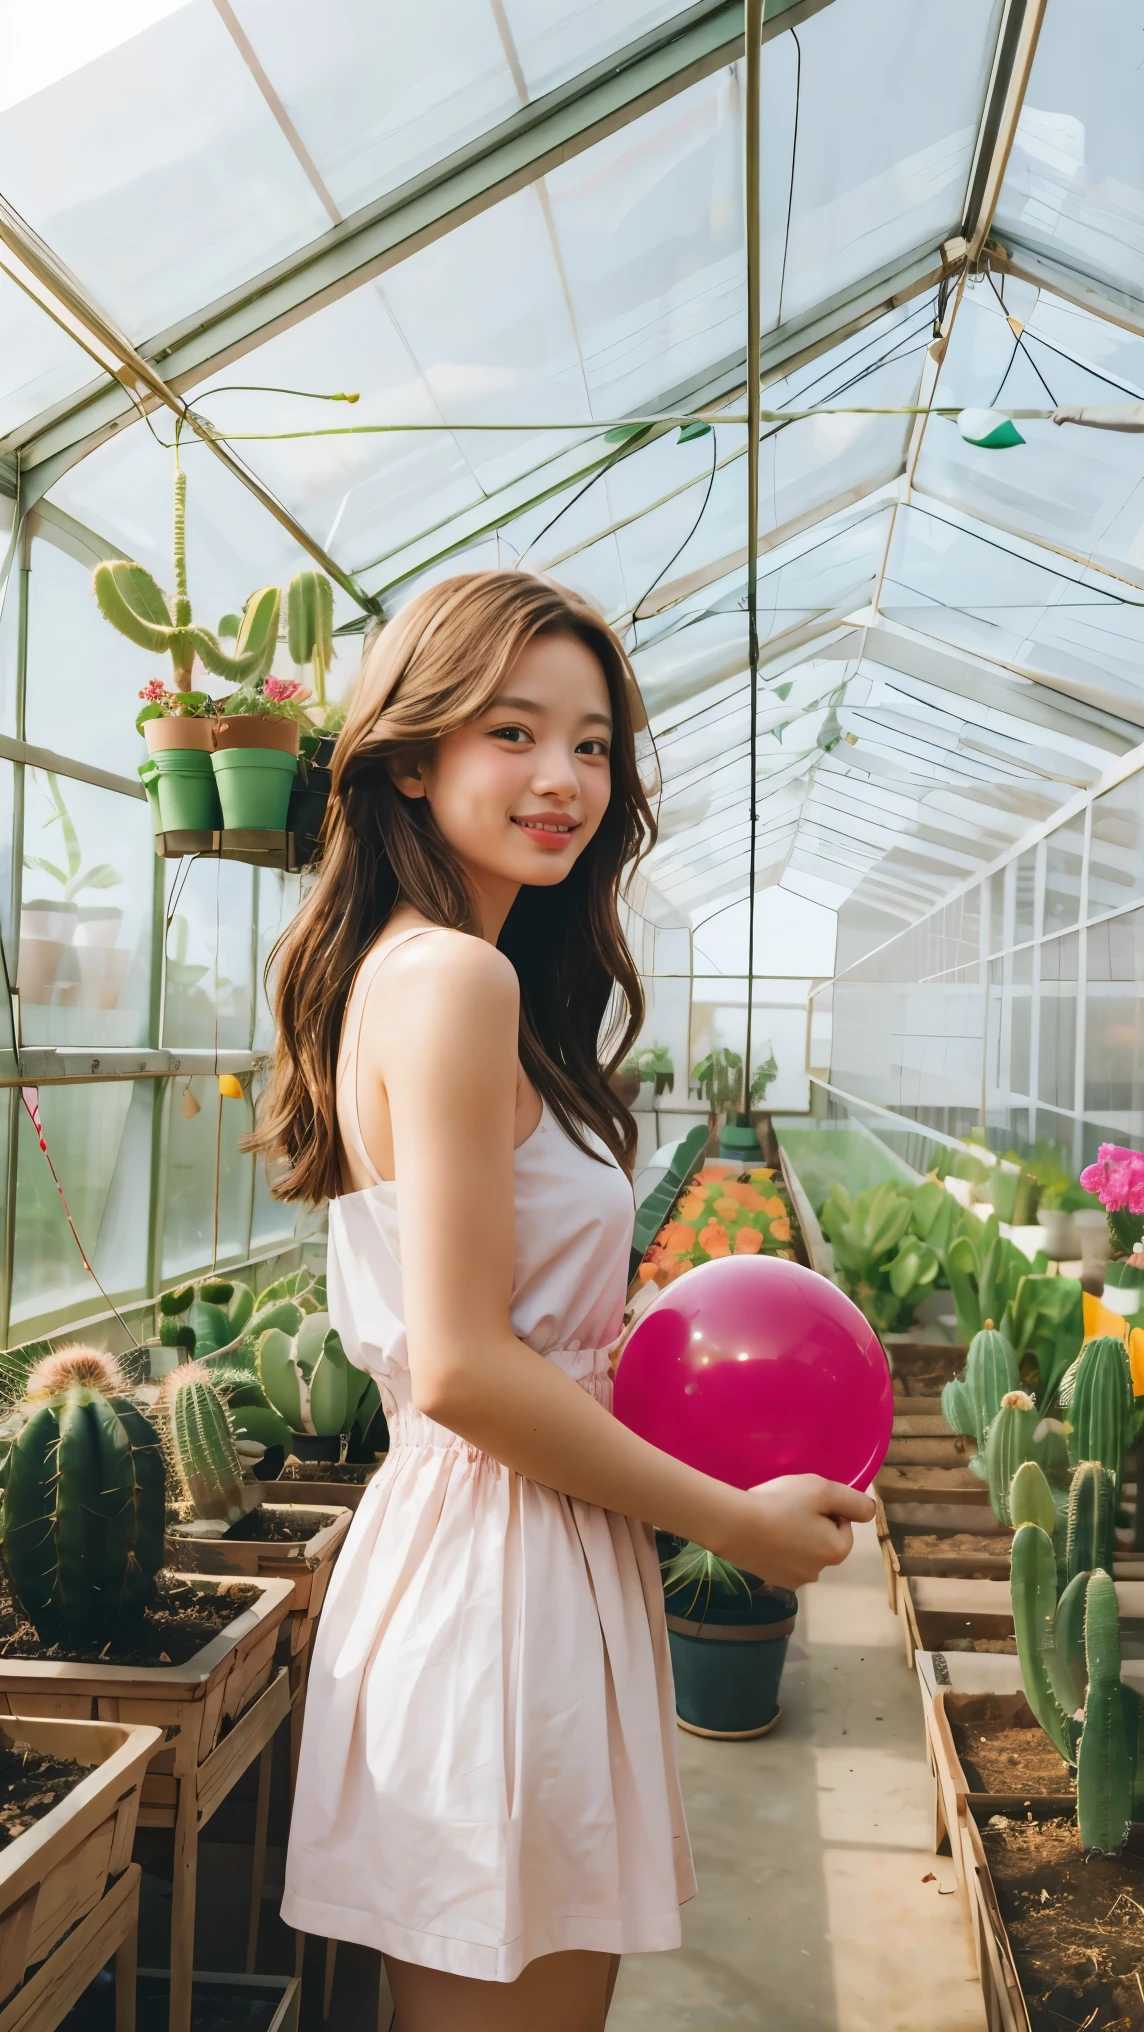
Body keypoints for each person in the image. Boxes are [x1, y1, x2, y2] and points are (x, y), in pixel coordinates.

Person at [253, 571, 872, 2032]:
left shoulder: (446, 977)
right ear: (414, 756)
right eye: (515, 732)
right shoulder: (453, 981)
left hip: (503, 1554)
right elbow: (466, 1368)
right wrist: (729, 1523)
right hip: (497, 1574)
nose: (565, 779)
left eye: (593, 744)